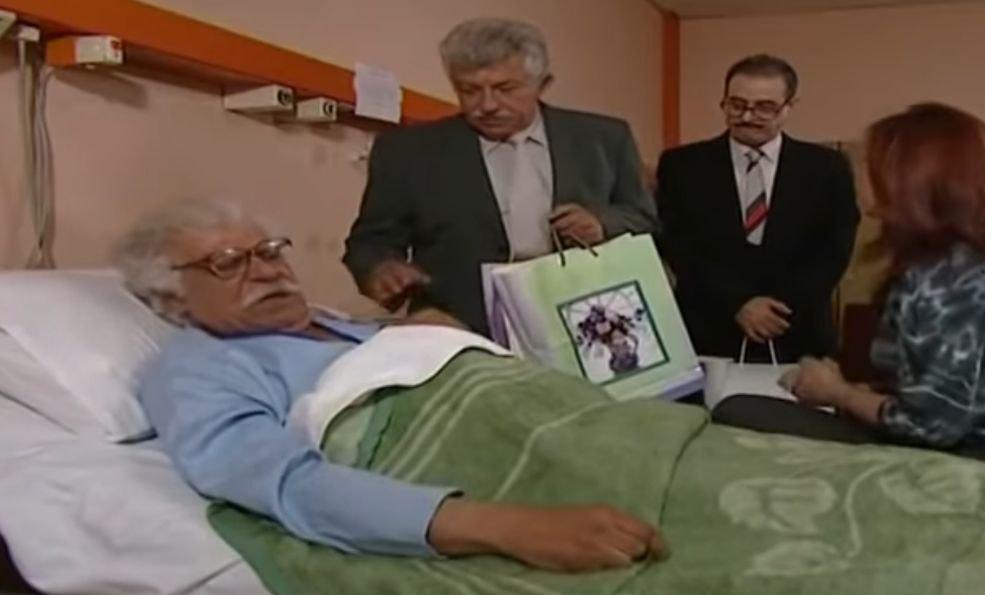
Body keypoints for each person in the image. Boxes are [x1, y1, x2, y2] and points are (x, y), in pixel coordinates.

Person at [119, 199, 665, 572]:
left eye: (269, 251)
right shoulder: (198, 369)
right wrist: (507, 527)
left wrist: (430, 335)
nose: (267, 270)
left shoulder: (337, 323)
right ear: (172, 297)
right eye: (228, 263)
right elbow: (287, 484)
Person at [713, 103, 985, 462]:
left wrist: (837, 393)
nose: (858, 174)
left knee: (738, 411)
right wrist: (857, 393)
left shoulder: (947, 278)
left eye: (868, 165)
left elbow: (932, 427)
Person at [343, 18, 658, 334]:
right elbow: (370, 242)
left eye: (506, 89)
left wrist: (601, 224)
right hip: (459, 329)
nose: (488, 105)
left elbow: (644, 219)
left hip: (585, 324)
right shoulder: (407, 151)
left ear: (542, 84)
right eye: (469, 91)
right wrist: (379, 269)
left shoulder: (604, 139)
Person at [656, 54, 858, 363]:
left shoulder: (827, 167)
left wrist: (774, 311)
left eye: (764, 107)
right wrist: (739, 304)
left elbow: (835, 248)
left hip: (797, 331)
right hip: (707, 330)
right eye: (737, 105)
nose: (748, 116)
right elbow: (677, 244)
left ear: (789, 107)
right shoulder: (682, 165)